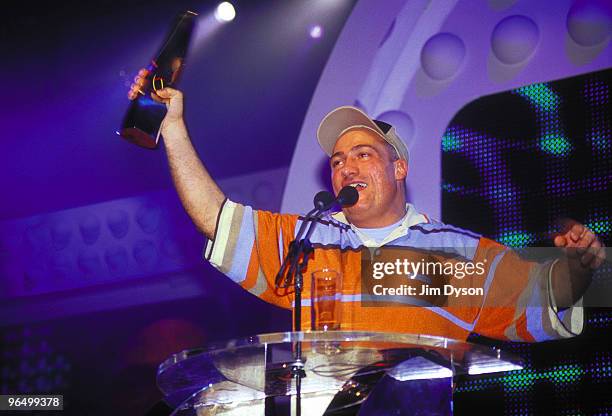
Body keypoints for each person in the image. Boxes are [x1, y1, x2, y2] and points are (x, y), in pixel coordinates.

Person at [128, 70, 606, 343]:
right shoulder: (308, 240)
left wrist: (579, 266)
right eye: (338, 161)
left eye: (363, 155)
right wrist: (173, 129)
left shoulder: (457, 255)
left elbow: (547, 293)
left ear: (398, 169)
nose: (346, 168)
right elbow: (215, 217)